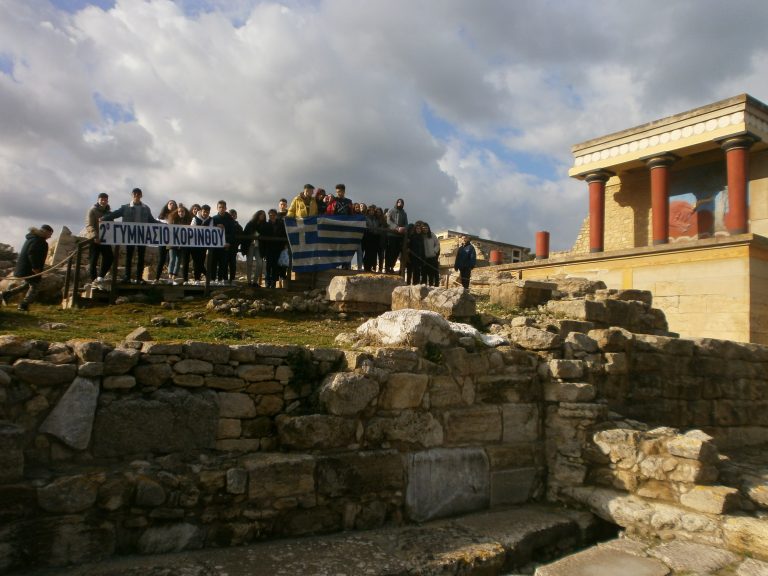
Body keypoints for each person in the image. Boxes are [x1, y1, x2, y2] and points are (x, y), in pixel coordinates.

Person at [101, 188, 158, 284]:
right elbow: (115, 214)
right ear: (132, 195)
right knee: (129, 256)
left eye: (138, 194)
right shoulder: (125, 207)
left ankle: (139, 278)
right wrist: (104, 218)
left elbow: (152, 220)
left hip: (142, 236)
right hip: (129, 236)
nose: (136, 195)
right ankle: (127, 277)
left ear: (141, 195)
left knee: (141, 257)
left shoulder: (146, 208)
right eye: (135, 194)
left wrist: (163, 225)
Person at [1, 224, 53, 311]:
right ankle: (23, 305)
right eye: (50, 234)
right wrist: (35, 267)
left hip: (24, 267)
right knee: (35, 286)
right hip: (30, 268)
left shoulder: (32, 238)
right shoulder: (39, 241)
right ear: (45, 232)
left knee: (27, 284)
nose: (50, 236)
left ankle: (6, 294)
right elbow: (32, 253)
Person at [83, 192, 113, 282]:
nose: (103, 201)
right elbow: (89, 225)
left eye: (105, 200)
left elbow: (111, 226)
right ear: (98, 200)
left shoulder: (109, 212)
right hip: (94, 239)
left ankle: (100, 277)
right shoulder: (92, 210)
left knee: (109, 257)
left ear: (107, 201)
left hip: (105, 239)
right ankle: (93, 281)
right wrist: (95, 236)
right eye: (102, 199)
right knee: (93, 261)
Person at [211, 200, 237, 285]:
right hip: (215, 245)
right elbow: (208, 230)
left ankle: (220, 280)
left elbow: (233, 233)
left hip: (225, 245)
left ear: (226, 208)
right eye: (220, 207)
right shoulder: (213, 218)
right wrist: (215, 226)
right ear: (217, 208)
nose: (221, 209)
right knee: (213, 263)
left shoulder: (230, 219)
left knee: (223, 263)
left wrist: (229, 242)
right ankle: (212, 280)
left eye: (223, 207)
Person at [167, 203, 192, 284]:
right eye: (179, 212)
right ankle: (169, 278)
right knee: (172, 259)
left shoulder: (188, 221)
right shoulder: (172, 220)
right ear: (177, 212)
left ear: (185, 212)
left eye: (182, 211)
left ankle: (174, 278)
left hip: (182, 245)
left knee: (178, 261)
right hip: (172, 244)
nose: (181, 213)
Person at [154, 199, 178, 283]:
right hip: (162, 241)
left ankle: (171, 279)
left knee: (171, 260)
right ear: (167, 205)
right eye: (170, 203)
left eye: (173, 204)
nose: (172, 205)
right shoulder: (161, 217)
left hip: (173, 242)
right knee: (161, 260)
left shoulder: (177, 217)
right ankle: (156, 278)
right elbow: (155, 226)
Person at [190, 204, 213, 284]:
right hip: (194, 244)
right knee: (196, 262)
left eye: (207, 212)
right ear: (201, 211)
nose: (205, 214)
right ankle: (198, 279)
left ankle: (199, 278)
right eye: (204, 212)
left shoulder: (210, 219)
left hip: (204, 245)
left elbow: (210, 230)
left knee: (201, 261)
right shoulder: (195, 218)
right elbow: (192, 228)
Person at [242, 210, 266, 287]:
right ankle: (249, 282)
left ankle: (255, 282)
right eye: (261, 215)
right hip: (250, 245)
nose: (262, 216)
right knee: (249, 263)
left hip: (259, 246)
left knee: (260, 264)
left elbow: (265, 235)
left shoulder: (265, 225)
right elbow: (245, 233)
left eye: (263, 215)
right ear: (257, 215)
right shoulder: (250, 223)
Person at [385, 198, 408, 273]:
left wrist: (403, 228)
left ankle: (392, 267)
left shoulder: (404, 213)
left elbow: (406, 223)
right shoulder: (391, 210)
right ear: (396, 203)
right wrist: (397, 228)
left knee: (396, 252)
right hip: (391, 235)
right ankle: (387, 267)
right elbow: (388, 221)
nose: (400, 203)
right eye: (399, 202)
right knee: (390, 251)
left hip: (399, 236)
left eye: (401, 202)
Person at [422, 222, 441, 286]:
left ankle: (433, 287)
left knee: (432, 274)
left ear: (428, 228)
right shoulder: (421, 236)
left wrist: (435, 251)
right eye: (423, 228)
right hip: (424, 258)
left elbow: (437, 244)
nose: (425, 229)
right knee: (424, 274)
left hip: (432, 257)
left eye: (426, 228)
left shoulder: (432, 235)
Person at [228, 208, 243, 284]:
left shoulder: (239, 227)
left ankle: (232, 279)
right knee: (223, 264)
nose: (232, 216)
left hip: (233, 248)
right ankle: (224, 279)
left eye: (234, 215)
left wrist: (234, 244)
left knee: (232, 264)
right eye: (231, 215)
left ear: (236, 216)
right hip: (224, 247)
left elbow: (240, 238)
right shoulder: (225, 224)